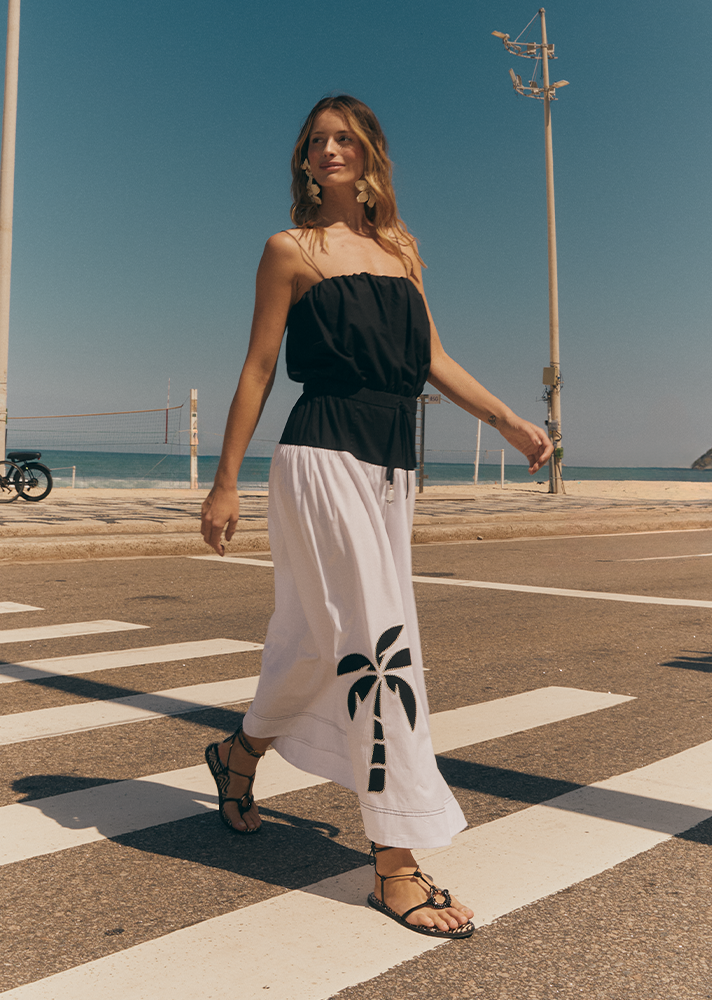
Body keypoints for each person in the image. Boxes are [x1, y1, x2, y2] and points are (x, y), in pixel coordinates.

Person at [200, 94, 553, 939]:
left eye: (344, 138)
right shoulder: (290, 250)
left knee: (321, 641)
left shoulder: (402, 250)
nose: (330, 149)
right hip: (321, 456)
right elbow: (258, 369)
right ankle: (395, 862)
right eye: (316, 141)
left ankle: (237, 754)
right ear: (305, 160)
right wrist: (224, 483)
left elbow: (431, 358)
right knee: (382, 647)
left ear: (369, 154)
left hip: (393, 466)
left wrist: (507, 421)